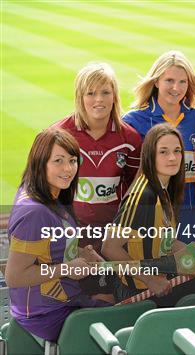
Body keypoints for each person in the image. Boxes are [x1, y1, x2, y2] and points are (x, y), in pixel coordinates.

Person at [102, 124, 195, 307]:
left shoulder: (161, 190)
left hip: (159, 281)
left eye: (177, 151)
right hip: (139, 291)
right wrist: (150, 280)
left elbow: (165, 242)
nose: (172, 158)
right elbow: (109, 248)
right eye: (163, 152)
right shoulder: (143, 197)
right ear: (150, 156)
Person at [5, 128, 109, 341]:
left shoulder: (50, 193)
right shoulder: (35, 211)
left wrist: (81, 252)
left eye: (72, 161)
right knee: (128, 312)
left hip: (62, 302)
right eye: (58, 161)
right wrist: (67, 268)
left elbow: (48, 247)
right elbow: (14, 276)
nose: (68, 169)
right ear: (40, 162)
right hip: (47, 314)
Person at [54, 63, 142, 300]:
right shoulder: (60, 135)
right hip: (72, 241)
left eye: (105, 92)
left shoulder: (130, 138)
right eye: (90, 93)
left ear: (114, 95)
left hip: (113, 242)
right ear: (80, 97)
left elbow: (135, 194)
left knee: (112, 301)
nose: (98, 100)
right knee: (77, 304)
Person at [123, 50, 195, 245]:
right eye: (169, 80)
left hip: (190, 212)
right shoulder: (134, 121)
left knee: (192, 269)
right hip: (149, 213)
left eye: (182, 82)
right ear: (156, 82)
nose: (176, 88)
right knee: (155, 273)